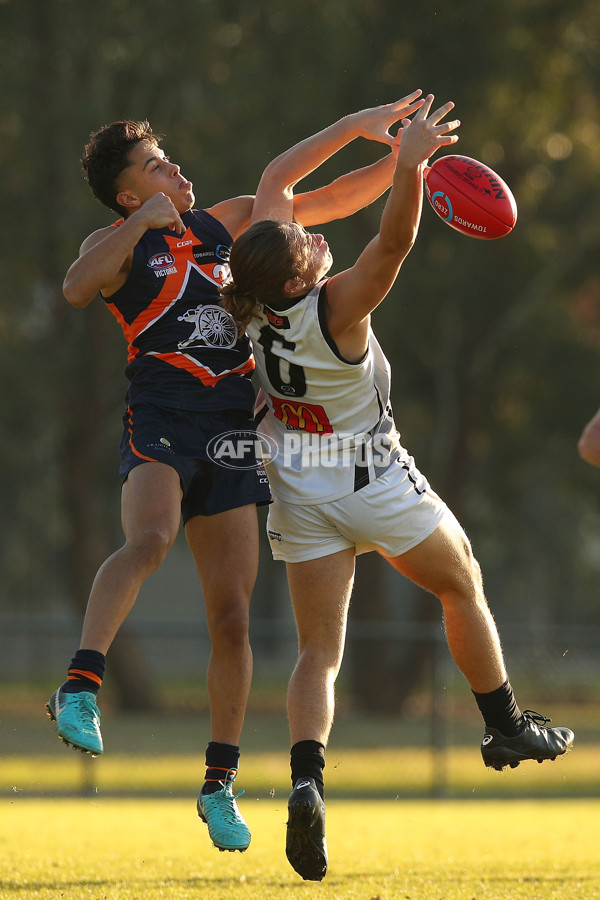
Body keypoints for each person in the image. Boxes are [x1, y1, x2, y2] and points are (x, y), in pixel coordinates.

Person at [46, 97, 426, 854]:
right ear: (130, 193)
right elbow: (77, 287)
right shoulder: (122, 239)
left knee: (231, 617)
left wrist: (407, 163)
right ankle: (81, 685)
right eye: (157, 167)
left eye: (169, 159)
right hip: (161, 417)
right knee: (149, 539)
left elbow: (320, 198)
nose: (175, 170)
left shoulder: (225, 226)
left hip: (232, 430)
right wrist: (138, 223)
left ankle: (220, 784)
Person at [221, 94, 575, 880]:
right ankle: (504, 722)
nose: (317, 239)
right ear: (297, 273)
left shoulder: (250, 301)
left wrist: (355, 127)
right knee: (462, 583)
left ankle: (308, 778)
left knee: (319, 650)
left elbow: (277, 177)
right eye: (309, 245)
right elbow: (396, 239)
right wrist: (408, 164)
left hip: (298, 485)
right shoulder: (336, 309)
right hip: (369, 474)